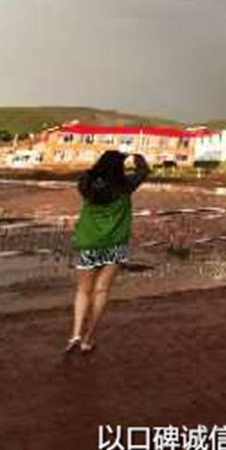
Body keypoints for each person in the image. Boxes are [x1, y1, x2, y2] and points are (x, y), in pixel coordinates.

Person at [66, 151, 148, 354]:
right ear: (119, 168)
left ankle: (75, 334)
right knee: (102, 290)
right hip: (115, 244)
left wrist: (96, 170)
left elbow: (87, 174)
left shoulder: (86, 185)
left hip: (89, 242)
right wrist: (137, 158)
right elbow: (143, 171)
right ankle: (88, 339)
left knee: (83, 290)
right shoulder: (126, 186)